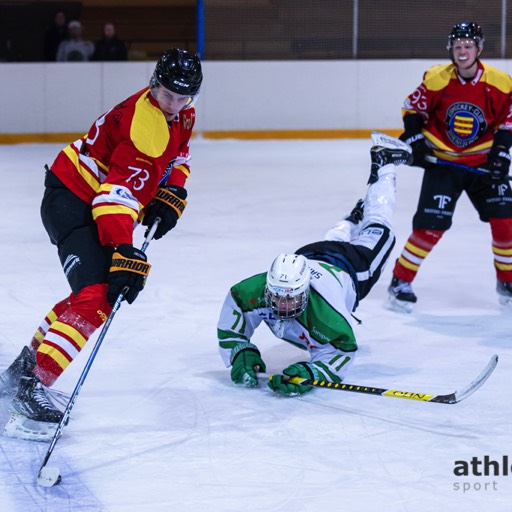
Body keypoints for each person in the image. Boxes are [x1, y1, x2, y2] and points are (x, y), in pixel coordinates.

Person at [0, 48, 202, 440]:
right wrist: (124, 251)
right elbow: (115, 197)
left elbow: (179, 157)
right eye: (167, 95)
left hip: (88, 199)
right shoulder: (146, 127)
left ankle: (24, 371)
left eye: (182, 98)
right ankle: (32, 386)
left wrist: (172, 193)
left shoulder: (182, 111)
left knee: (90, 295)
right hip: (74, 201)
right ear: (153, 84)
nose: (174, 105)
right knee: (96, 297)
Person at [217, 133, 412, 396]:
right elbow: (234, 316)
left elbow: (342, 350)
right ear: (268, 287)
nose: (283, 304)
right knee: (335, 241)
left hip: (352, 265)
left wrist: (312, 373)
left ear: (305, 290)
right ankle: (351, 219)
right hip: (312, 256)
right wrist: (241, 351)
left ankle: (385, 163)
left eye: (291, 297)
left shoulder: (328, 315)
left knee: (380, 227)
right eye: (278, 297)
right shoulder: (252, 291)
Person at [388, 22, 512, 313]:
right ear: (451, 51)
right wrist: (417, 141)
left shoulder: (500, 83)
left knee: (506, 223)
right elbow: (412, 108)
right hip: (443, 164)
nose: (463, 50)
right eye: (457, 46)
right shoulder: (437, 78)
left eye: (468, 45)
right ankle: (400, 281)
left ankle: (507, 282)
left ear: (479, 49)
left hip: (482, 163)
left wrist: (501, 153)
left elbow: (508, 119)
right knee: (429, 228)